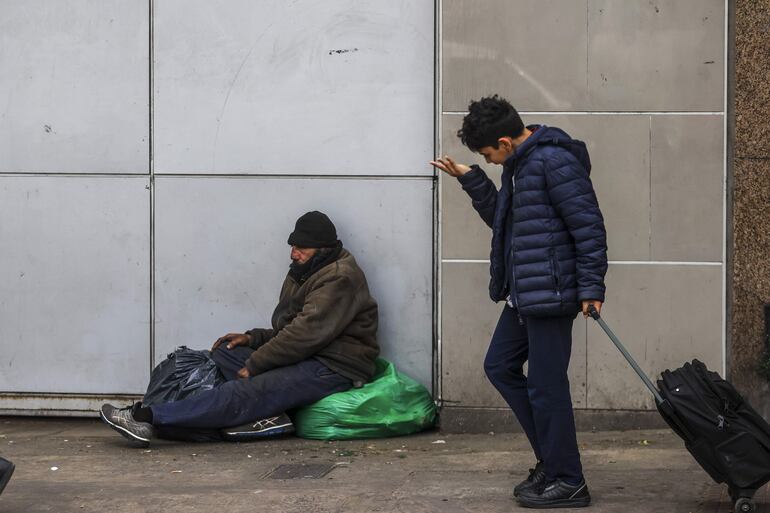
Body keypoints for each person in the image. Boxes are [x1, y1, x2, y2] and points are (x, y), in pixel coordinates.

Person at [431, 95, 607, 509]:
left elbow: (588, 226)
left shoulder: (554, 162)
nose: (489, 160)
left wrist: (591, 287)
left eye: (488, 153)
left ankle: (569, 479)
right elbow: (504, 224)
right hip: (524, 294)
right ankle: (551, 458)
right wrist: (470, 178)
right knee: (500, 366)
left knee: (547, 389)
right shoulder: (517, 166)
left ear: (507, 141)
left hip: (553, 293)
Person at [100, 211, 379, 446]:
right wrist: (252, 338)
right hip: (311, 353)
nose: (294, 253)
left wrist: (258, 362)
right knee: (226, 352)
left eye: (301, 248)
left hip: (335, 366)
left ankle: (146, 418)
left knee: (245, 390)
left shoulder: (339, 278)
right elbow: (291, 326)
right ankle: (265, 416)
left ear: (323, 249)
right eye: (293, 246)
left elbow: (305, 334)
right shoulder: (309, 270)